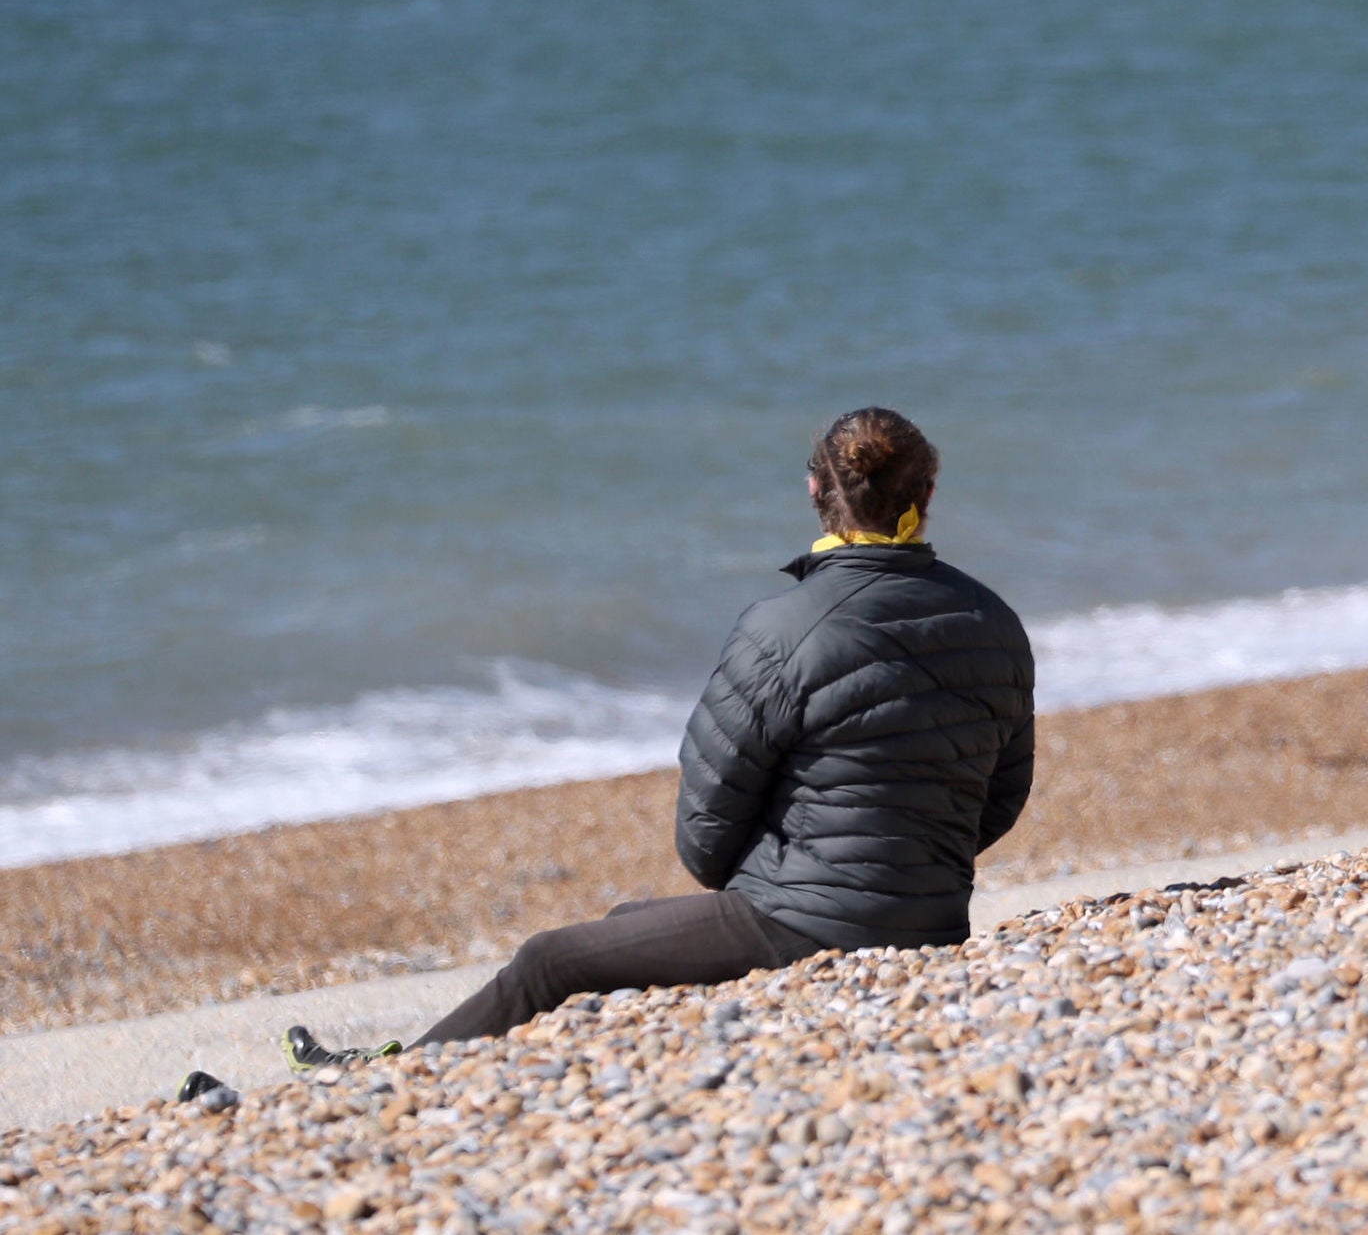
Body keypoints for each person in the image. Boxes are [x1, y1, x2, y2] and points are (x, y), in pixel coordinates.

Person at [279, 407, 1036, 1065]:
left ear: (815, 493)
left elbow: (706, 831)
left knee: (549, 958)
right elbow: (1001, 797)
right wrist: (907, 855)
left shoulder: (779, 628)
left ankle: (396, 1079)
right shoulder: (994, 620)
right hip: (934, 919)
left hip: (808, 926)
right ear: (927, 495)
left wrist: (792, 877)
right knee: (622, 930)